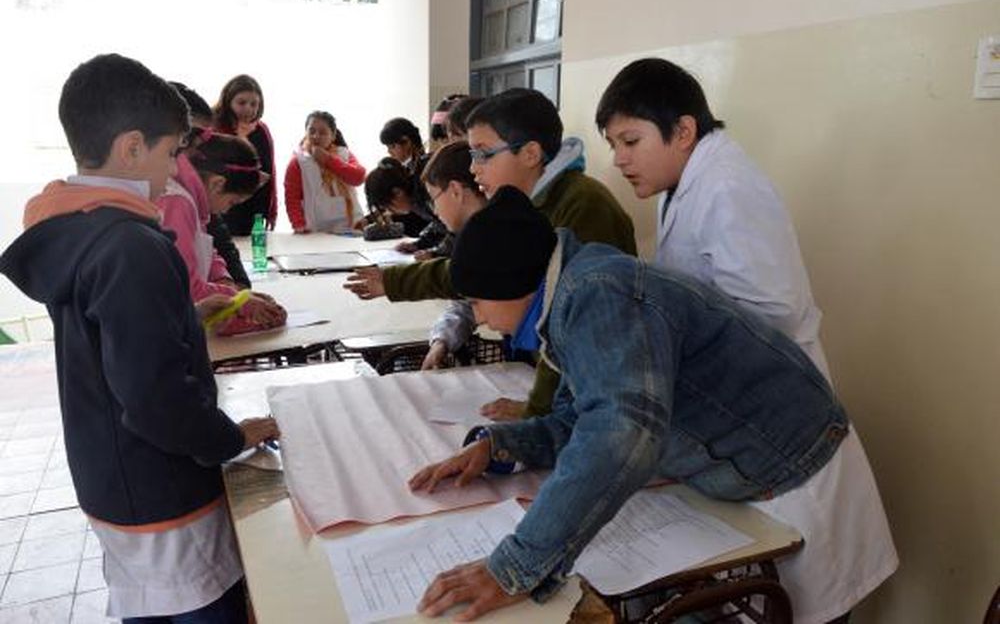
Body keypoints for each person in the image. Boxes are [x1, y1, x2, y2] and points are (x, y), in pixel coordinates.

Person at [409, 187, 897, 624]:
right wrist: (499, 447)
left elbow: (620, 433)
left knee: (802, 612)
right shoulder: (571, 296)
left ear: (513, 285)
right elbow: (583, 416)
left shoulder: (599, 294)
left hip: (799, 480)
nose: (480, 317)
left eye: (477, 301)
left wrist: (514, 566)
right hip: (743, 478)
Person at [0, 53, 280, 622]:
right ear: (131, 148)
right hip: (164, 491)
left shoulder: (76, 228)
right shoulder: (131, 247)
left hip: (114, 478)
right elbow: (156, 397)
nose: (178, 168)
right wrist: (227, 438)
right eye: (173, 151)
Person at [345, 89, 637, 421]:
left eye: (483, 154)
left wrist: (536, 411)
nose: (472, 168)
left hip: (600, 400)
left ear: (529, 154)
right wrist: (396, 282)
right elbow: (478, 270)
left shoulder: (583, 206)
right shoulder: (524, 202)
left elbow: (575, 327)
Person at [596, 57, 830, 378]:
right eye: (613, 145)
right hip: (732, 383)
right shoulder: (677, 181)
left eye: (631, 141)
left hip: (771, 392)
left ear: (683, 132)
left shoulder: (729, 188)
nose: (619, 160)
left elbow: (775, 314)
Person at [158, 129, 287, 335]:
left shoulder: (192, 200)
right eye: (232, 202)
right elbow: (187, 287)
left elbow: (205, 249)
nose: (227, 210)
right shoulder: (178, 202)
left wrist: (225, 282)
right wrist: (240, 301)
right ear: (218, 183)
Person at [170, 82, 251, 288]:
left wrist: (228, 282)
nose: (200, 147)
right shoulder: (175, 199)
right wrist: (235, 300)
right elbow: (187, 289)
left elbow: (209, 242)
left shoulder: (190, 195)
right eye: (191, 138)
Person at [415, 141, 487, 369]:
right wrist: (441, 341)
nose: (435, 211)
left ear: (455, 190)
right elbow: (465, 303)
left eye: (433, 198)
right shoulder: (467, 236)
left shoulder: (496, 235)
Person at [213, 74, 277, 235]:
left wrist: (270, 210)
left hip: (253, 208)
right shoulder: (216, 128)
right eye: (241, 103)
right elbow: (213, 168)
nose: (248, 109)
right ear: (228, 101)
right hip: (222, 206)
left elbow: (270, 169)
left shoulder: (261, 130)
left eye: (254, 104)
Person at [284, 110, 366, 234]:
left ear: (333, 136)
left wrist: (328, 160)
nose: (316, 136)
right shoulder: (298, 160)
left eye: (323, 132)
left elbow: (358, 177)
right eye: (311, 131)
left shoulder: (344, 153)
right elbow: (292, 197)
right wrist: (298, 224)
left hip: (350, 226)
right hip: (315, 229)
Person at [378, 117, 449, 255]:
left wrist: (432, 250)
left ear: (407, 141)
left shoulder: (427, 167)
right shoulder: (410, 167)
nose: (389, 152)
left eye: (392, 146)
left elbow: (440, 218)